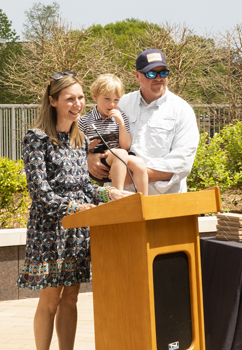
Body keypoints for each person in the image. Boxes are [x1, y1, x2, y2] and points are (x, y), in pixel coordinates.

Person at [17, 70, 130, 350]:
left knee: (71, 299)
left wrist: (108, 192)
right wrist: (75, 206)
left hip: (78, 231)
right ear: (53, 100)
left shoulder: (80, 140)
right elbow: (40, 193)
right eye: (70, 98)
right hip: (50, 231)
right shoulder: (36, 138)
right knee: (51, 301)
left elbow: (84, 187)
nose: (77, 104)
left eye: (80, 98)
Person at [87, 49, 199, 195]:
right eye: (151, 73)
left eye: (163, 73)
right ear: (137, 76)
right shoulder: (120, 104)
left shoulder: (182, 110)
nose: (158, 78)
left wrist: (134, 174)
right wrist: (90, 157)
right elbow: (92, 134)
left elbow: (182, 162)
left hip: (164, 203)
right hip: (118, 202)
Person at [78, 74, 148, 196]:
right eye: (107, 99)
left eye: (116, 100)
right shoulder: (85, 121)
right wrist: (88, 147)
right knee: (120, 153)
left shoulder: (121, 117)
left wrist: (121, 123)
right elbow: (75, 148)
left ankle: (144, 203)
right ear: (95, 96)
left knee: (139, 163)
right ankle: (117, 197)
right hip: (100, 159)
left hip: (119, 158)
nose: (112, 105)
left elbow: (125, 146)